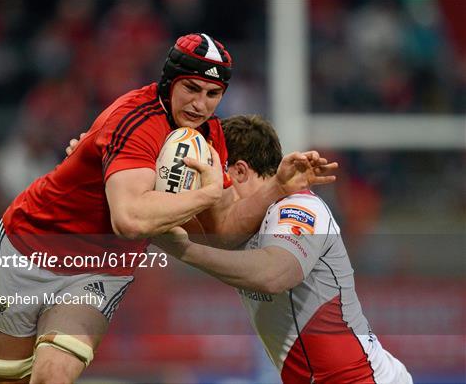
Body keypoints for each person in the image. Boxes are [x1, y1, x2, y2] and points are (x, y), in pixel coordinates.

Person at [0, 34, 336, 384]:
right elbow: (129, 219)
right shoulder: (136, 120)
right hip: (30, 245)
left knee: (51, 377)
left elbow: (224, 229)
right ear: (169, 82)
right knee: (5, 377)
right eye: (192, 89)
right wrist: (206, 194)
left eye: (213, 94)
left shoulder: (210, 136)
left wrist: (277, 186)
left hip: (101, 270)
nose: (201, 104)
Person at [155, 115, 413, 384]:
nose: (205, 187)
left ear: (239, 172)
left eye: (211, 171)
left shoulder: (297, 208)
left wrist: (183, 250)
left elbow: (273, 276)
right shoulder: (234, 224)